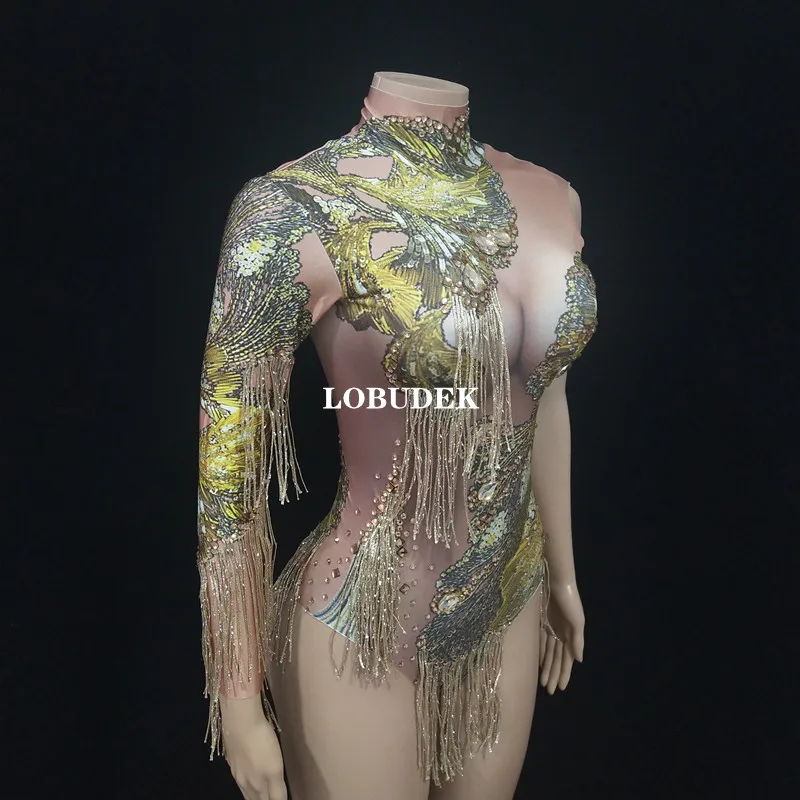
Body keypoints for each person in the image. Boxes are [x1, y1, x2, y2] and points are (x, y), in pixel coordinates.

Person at [197, 71, 597, 800]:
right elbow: (230, 473)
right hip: (365, 617)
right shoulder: (294, 207)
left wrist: (563, 578)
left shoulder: (553, 195)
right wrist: (237, 696)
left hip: (509, 598)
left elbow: (545, 394)